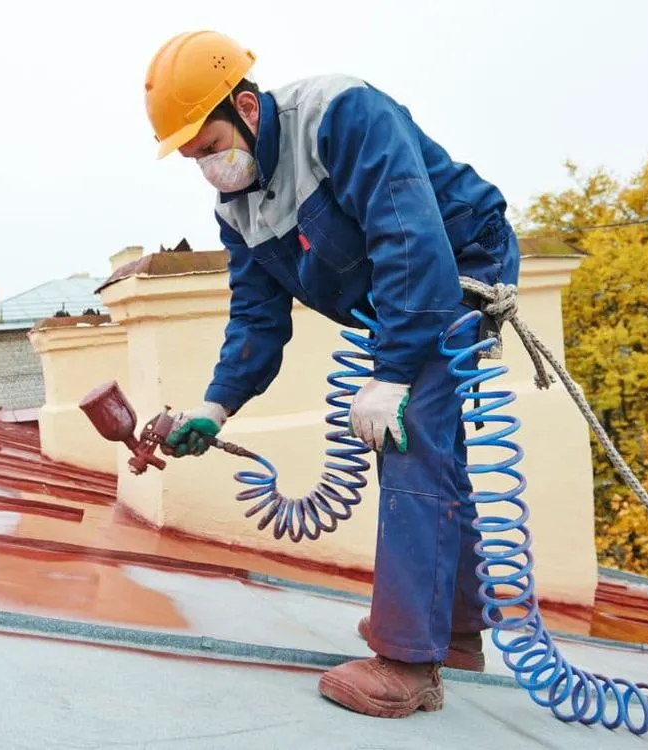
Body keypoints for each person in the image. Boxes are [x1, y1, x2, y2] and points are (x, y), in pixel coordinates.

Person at [143, 30, 520, 718]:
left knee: (406, 435)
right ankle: (457, 631)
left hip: (457, 265)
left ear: (249, 109)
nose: (207, 168)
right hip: (399, 290)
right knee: (429, 438)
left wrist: (393, 373)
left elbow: (412, 238)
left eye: (209, 147)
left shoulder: (342, 115)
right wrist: (215, 408)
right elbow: (257, 322)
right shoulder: (238, 209)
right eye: (193, 158)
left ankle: (409, 664)